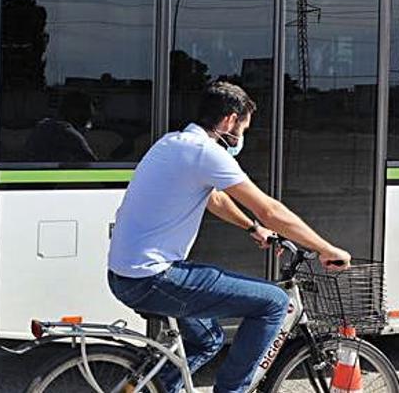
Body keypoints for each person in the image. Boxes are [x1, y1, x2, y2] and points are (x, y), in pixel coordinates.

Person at [106, 81, 351, 393]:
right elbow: (270, 210)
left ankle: (146, 388)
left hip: (125, 275)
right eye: (244, 128)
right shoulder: (206, 153)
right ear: (230, 120)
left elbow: (214, 199)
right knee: (274, 302)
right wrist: (325, 248)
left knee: (207, 340)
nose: (241, 137)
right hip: (151, 278)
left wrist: (251, 228)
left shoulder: (173, 142)